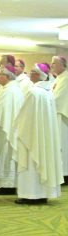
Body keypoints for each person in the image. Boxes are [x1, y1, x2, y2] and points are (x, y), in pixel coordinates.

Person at [14, 65, 63, 204]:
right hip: (44, 136)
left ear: (37, 74)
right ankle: (42, 194)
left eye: (31, 72)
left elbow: (25, 116)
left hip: (32, 134)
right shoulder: (48, 92)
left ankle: (30, 194)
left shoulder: (33, 92)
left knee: (31, 163)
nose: (29, 74)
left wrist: (17, 126)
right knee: (42, 160)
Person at [0, 66, 24, 195]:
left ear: (8, 76)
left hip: (7, 129)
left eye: (0, 75)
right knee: (7, 156)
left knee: (6, 155)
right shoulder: (12, 89)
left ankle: (8, 185)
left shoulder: (9, 91)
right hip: (10, 126)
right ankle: (8, 184)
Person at [51, 56, 68, 184]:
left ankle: (65, 173)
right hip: (56, 114)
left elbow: (58, 98)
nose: (52, 66)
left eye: (54, 63)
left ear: (62, 64)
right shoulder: (58, 78)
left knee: (63, 144)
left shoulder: (66, 78)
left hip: (62, 116)